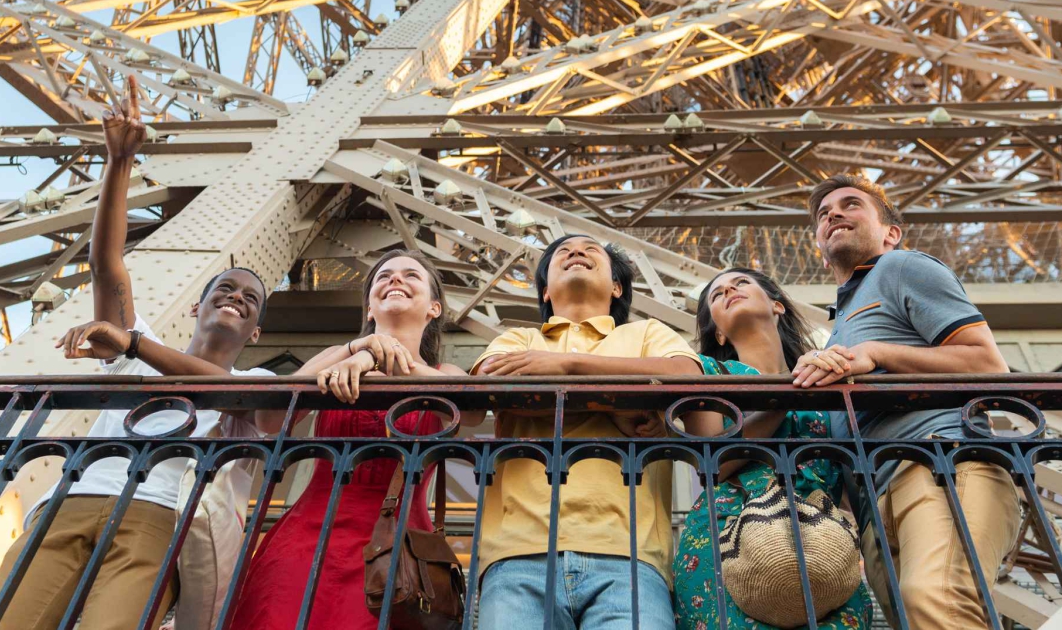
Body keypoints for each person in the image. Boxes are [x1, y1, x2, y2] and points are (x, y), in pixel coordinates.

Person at [0, 75, 275, 630]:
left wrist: (136, 343)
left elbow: (229, 391)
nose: (237, 298)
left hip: (160, 516)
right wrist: (117, 162)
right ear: (196, 308)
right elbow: (108, 265)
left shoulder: (254, 379)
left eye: (251, 300)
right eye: (224, 289)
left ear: (255, 332)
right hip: (71, 501)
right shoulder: (135, 347)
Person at [791, 173, 1020, 630]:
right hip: (877, 502)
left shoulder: (901, 267)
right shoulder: (839, 325)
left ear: (891, 234)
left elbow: (987, 364)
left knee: (937, 600)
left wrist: (875, 354)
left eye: (851, 204)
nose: (833, 213)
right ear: (819, 247)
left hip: (939, 462)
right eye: (823, 213)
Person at [470, 234, 706, 630]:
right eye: (562, 252)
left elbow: (686, 377)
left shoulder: (648, 332)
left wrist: (565, 368)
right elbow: (488, 391)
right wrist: (624, 399)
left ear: (617, 286)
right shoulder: (517, 337)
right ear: (545, 291)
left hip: (630, 554)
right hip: (517, 552)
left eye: (590, 250)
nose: (576, 252)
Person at [227, 249, 470, 630]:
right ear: (369, 309)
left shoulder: (445, 372)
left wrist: (373, 362)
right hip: (309, 538)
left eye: (411, 275)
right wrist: (357, 349)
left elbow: (468, 413)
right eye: (383, 276)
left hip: (399, 550)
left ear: (434, 308)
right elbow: (271, 419)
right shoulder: (334, 355)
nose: (395, 280)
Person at [672, 268, 872, 630]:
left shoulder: (827, 375)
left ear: (777, 305)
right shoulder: (711, 375)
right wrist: (788, 394)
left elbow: (844, 474)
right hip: (727, 541)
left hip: (822, 543)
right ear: (717, 330)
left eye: (741, 283)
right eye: (717, 294)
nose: (729, 289)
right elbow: (714, 465)